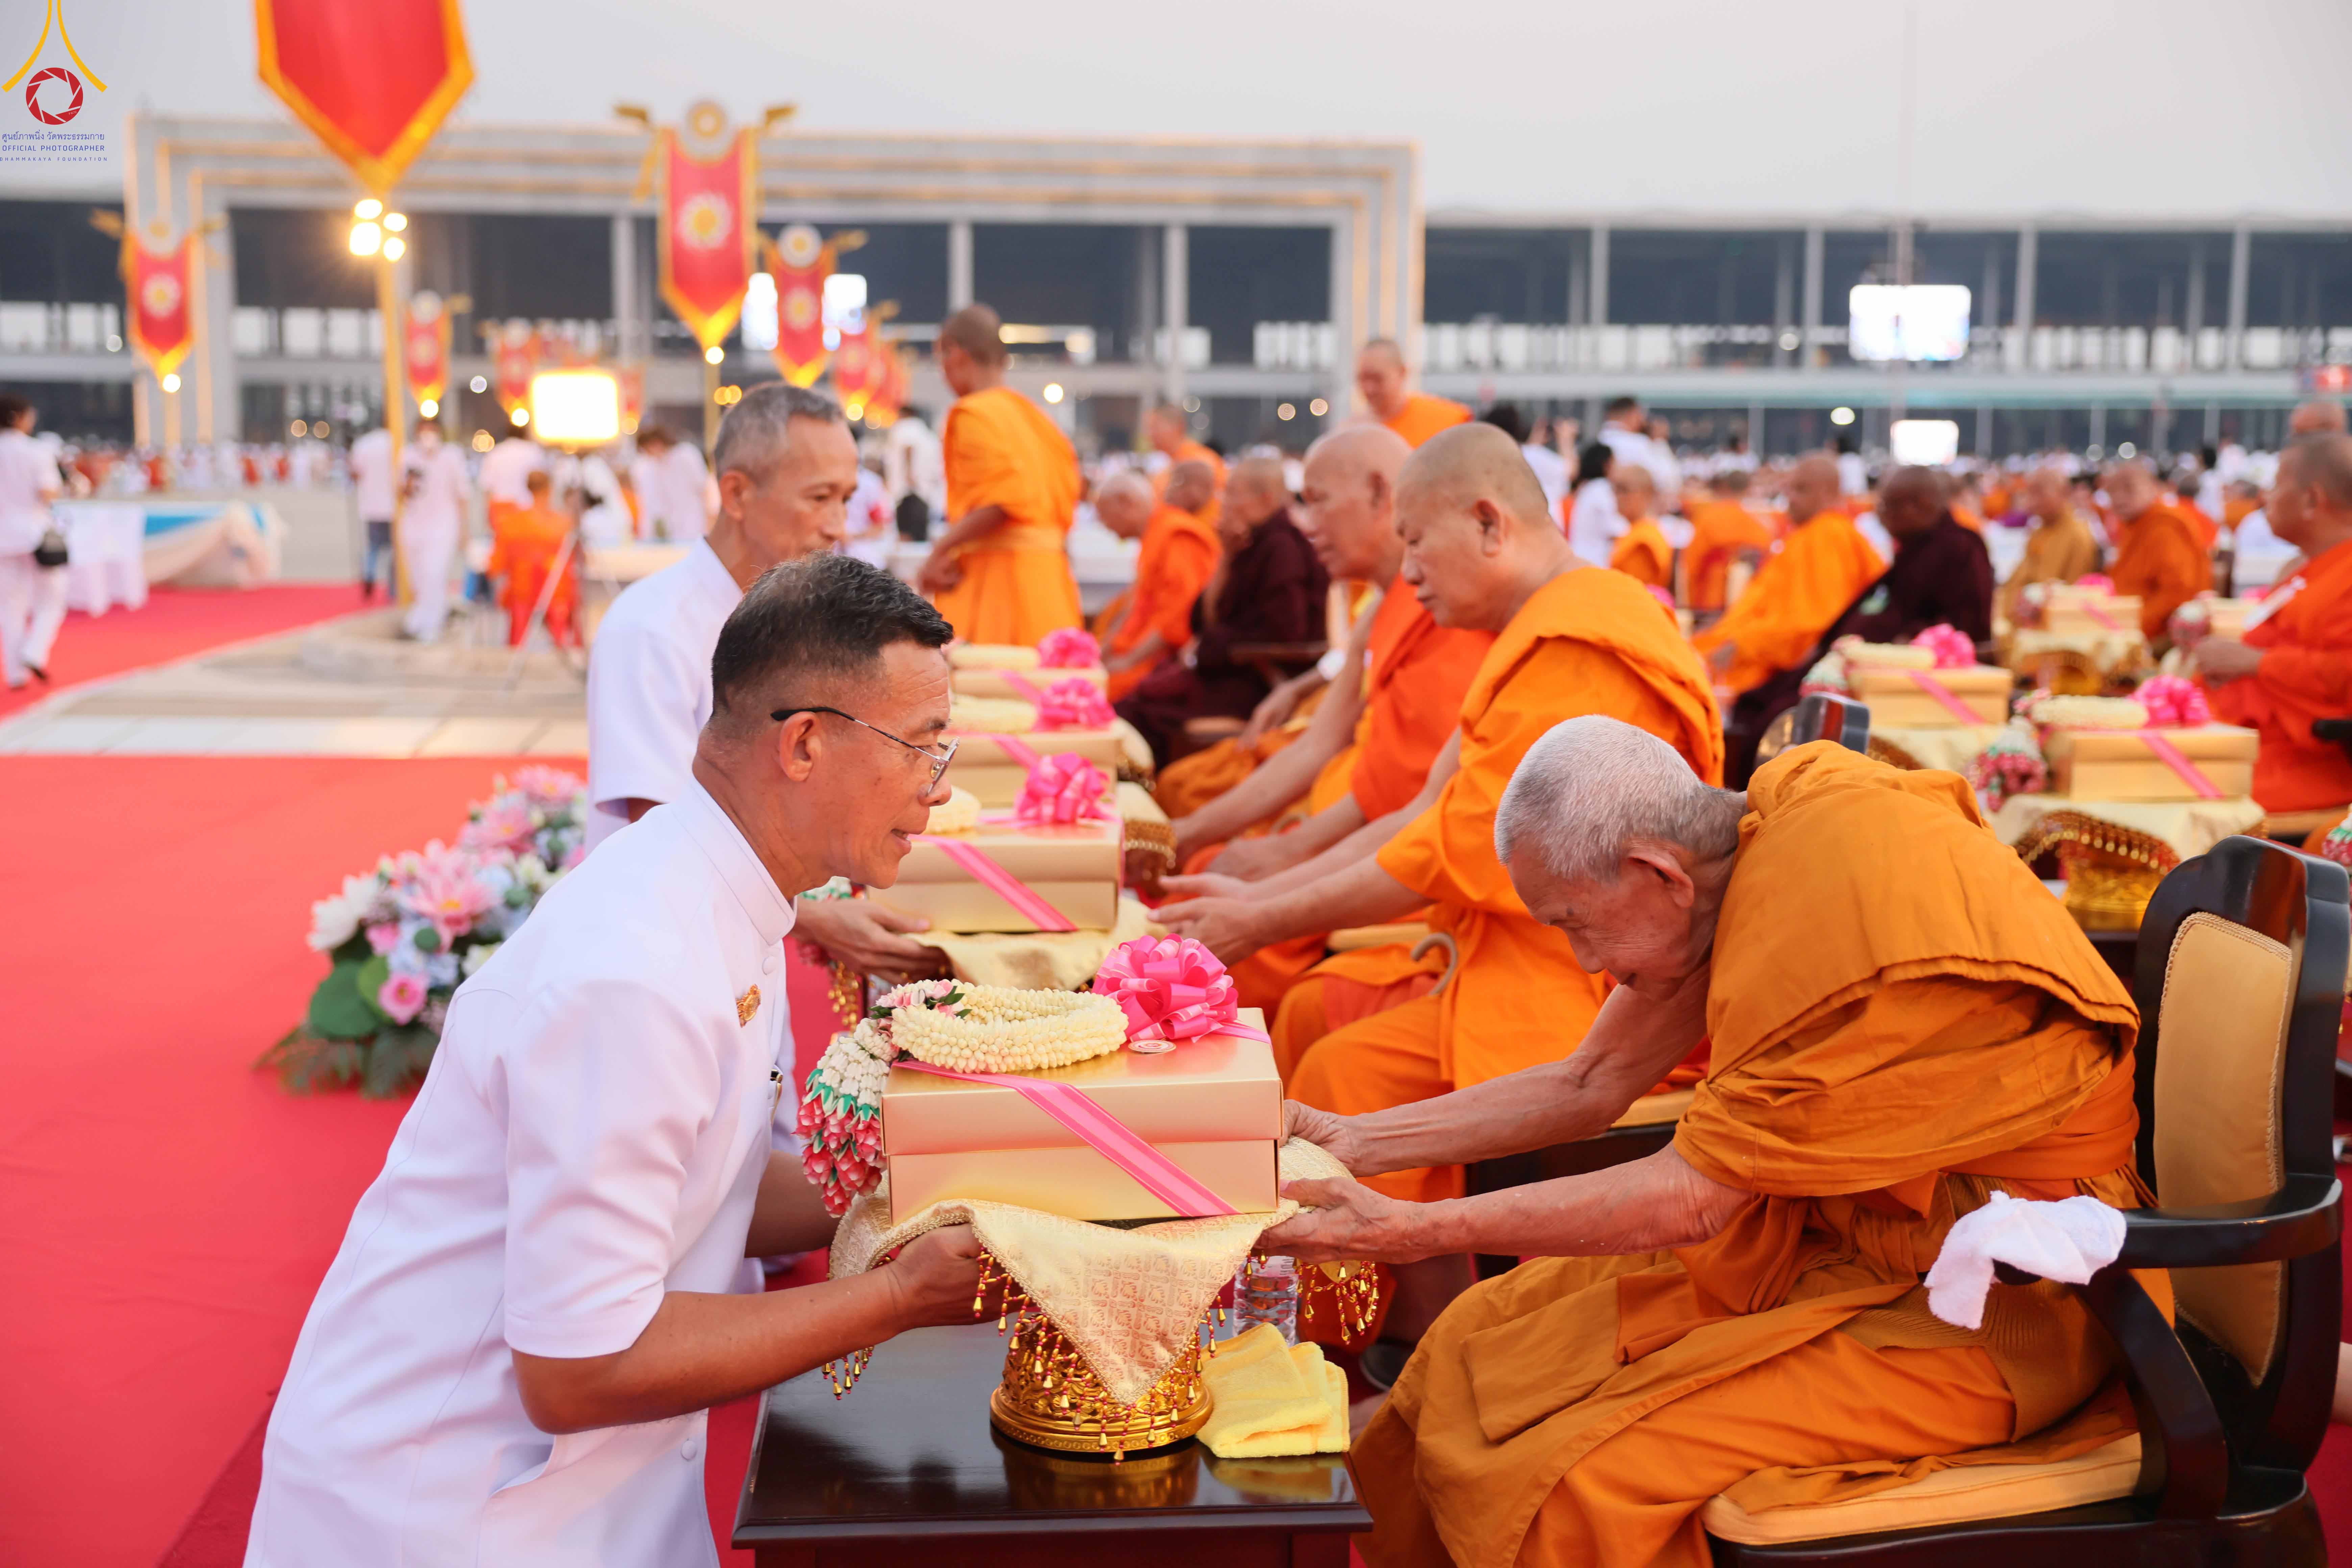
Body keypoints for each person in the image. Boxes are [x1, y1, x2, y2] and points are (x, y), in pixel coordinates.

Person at [245, 556, 989, 1568]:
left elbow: (711, 1180)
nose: (937, 790)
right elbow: (576, 1365)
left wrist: (946, 1170)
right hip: (455, 1505)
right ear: (806, 742)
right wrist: (899, 1297)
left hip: (583, 1484)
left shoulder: (717, 888)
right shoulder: (634, 971)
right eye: (922, 748)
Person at [1268, 721, 2150, 1568]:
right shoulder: (1742, 865)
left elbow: (1692, 1196)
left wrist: (1406, 1231)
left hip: (2004, 1301)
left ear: (1659, 872)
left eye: (1575, 922)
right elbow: (1591, 1082)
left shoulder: (1829, 896)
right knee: (1474, 1334)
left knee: (1583, 1477)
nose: (1580, 961)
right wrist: (1351, 1138)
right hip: (1840, 1238)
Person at [1156, 424, 1722, 1372]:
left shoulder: (1577, 642)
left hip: (1588, 971)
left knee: (1343, 1070)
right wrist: (1268, 881)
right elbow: (1435, 813)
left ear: (1490, 523)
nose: (1405, 566)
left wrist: (1262, 911)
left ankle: (1436, 1340)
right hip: (1498, 947)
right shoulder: (1531, 634)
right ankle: (1412, 1329)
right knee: (1317, 1022)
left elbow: (1476, 855)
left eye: (1417, 538)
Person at [585, 383, 944, 983]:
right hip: (662, 954)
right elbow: (659, 821)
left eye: (848, 498)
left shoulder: (795, 620)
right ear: (737, 493)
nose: (838, 526)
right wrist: (815, 916)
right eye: (819, 498)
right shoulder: (652, 629)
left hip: (751, 930)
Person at [1168, 424, 1494, 1008]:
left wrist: (1285, 861)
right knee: (1201, 858)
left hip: (1388, 861)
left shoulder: (1462, 614)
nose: (1304, 522)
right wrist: (1201, 836)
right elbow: (1322, 744)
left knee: (1218, 941)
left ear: (1380, 494)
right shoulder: (1384, 607)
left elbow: (1415, 808)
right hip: (1344, 828)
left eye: (1317, 501)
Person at [1725, 466, 1994, 782]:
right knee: (1758, 701)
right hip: (1857, 661)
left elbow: (1962, 633)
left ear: (1922, 505)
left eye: (1889, 507)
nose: (1881, 517)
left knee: (1781, 715)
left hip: (1896, 678)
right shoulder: (1918, 546)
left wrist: (1894, 649)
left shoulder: (1960, 547)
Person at [1116, 456, 1329, 764]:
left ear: (1265, 499)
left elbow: (1286, 631)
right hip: (1229, 671)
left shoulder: (1283, 548)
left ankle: (1147, 792)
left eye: (1231, 494)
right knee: (1138, 699)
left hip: (1259, 681)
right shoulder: (1248, 544)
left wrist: (1213, 650)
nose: (1222, 503)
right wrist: (1226, 558)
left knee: (1143, 712)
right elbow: (1206, 621)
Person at [2196, 434, 2352, 824]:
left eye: (2278, 484)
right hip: (2247, 740)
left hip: (2307, 765)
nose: (2265, 497)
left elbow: (2343, 677)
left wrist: (2255, 663)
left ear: (2313, 500)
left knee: (2156, 793)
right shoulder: (2307, 570)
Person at [915, 303, 1085, 644]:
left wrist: (939, 553)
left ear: (956, 354)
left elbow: (1004, 502)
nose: (943, 371)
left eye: (941, 359)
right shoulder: (1040, 421)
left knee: (992, 690)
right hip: (1051, 585)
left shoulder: (972, 414)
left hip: (1001, 586)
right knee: (1056, 690)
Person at [1692, 454, 1883, 695]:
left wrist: (1742, 645)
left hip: (1767, 673)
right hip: (1744, 650)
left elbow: (1810, 625)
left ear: (1826, 493)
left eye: (1801, 490)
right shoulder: (1811, 534)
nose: (1789, 499)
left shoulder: (1827, 536)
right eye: (1789, 489)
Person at [1094, 465, 1220, 701]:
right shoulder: (1155, 535)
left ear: (1126, 503)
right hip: (1139, 653)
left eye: (1104, 515)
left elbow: (1180, 615)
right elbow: (1139, 607)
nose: (1105, 526)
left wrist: (1129, 661)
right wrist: (1108, 650)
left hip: (1165, 659)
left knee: (1098, 693)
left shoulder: (1176, 535)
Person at [2103, 457, 2213, 642]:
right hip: (2126, 621)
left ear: (2154, 488)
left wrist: (2131, 627)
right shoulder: (2132, 526)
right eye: (2113, 491)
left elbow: (2176, 595)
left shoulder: (2165, 527)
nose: (2119, 498)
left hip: (2165, 633)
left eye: (2129, 489)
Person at [0, 394, 66, 689]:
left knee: (10, 606)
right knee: (52, 600)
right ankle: (34, 651)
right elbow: (48, 493)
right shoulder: (36, 451)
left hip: (4, 537)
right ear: (18, 417)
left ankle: (16, 673)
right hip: (36, 535)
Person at [1996, 465, 2103, 624]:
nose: (2033, 501)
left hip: (2055, 622)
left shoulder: (2078, 535)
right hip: (2022, 614)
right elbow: (2018, 579)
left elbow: (2075, 594)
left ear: (2064, 493)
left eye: (2040, 493)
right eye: (2030, 493)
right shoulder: (2038, 532)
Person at [486, 470, 579, 648]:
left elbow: (496, 567)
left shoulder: (512, 523)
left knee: (517, 639)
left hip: (523, 591)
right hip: (556, 592)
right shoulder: (565, 523)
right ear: (550, 490)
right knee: (562, 639)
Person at [397, 422, 470, 643]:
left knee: (434, 572)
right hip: (415, 525)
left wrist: (464, 530)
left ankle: (431, 624)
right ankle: (426, 615)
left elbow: (463, 495)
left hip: (443, 526)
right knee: (419, 576)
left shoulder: (452, 456)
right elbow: (401, 492)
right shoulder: (407, 455)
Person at [1681, 468, 1772, 616]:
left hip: (1708, 601)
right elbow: (1766, 561)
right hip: (1746, 601)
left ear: (1725, 488)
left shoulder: (1707, 519)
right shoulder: (1757, 523)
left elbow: (1691, 563)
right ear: (1748, 490)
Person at [1354, 338, 1470, 448]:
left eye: (1377, 379)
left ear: (1402, 373)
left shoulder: (1448, 420)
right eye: (1363, 379)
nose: (1369, 389)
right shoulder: (1353, 432)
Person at [628, 426, 711, 544]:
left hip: (693, 522)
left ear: (658, 442)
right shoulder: (650, 465)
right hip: (670, 529)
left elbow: (705, 489)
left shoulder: (687, 454)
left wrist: (710, 521)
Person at [1145, 402, 1225, 517]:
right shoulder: (1168, 468)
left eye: (1155, 427)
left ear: (1178, 427)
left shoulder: (1199, 461)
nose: (1150, 434)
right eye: (1150, 429)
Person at [1605, 462, 1673, 592]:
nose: (1617, 497)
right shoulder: (1634, 532)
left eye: (1624, 490)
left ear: (1647, 493)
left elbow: (1634, 592)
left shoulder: (1644, 541)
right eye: (1616, 490)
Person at [347, 420, 396, 602]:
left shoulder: (363, 444)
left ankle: (369, 575)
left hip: (371, 505)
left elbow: (355, 474)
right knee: (394, 550)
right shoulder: (397, 441)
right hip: (393, 507)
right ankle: (394, 586)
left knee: (373, 547)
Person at [1597, 395, 1679, 497]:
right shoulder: (1638, 443)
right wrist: (1660, 442)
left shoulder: (1599, 441)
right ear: (1633, 414)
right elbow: (1668, 481)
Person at [1563, 440, 1618, 568]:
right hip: (1594, 563)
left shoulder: (1587, 488)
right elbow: (1615, 528)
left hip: (1581, 559)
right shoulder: (1601, 488)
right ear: (1607, 465)